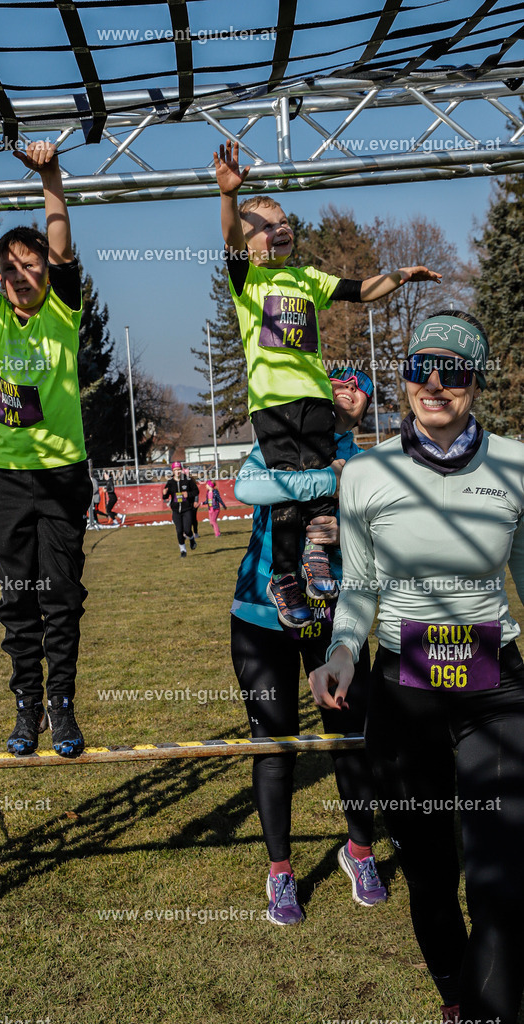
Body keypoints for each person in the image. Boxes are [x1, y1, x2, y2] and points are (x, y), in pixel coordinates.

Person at [310, 311, 524, 1024]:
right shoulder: (366, 473)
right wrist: (343, 651)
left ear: (475, 381)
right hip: (405, 689)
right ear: (403, 377)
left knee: (500, 879)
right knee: (431, 876)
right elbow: (360, 586)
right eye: (419, 367)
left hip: (494, 686)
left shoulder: (516, 464)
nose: (434, 383)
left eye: (453, 370)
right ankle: (458, 1001)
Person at [214, 140, 441, 630]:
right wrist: (229, 196)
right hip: (271, 403)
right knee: (285, 486)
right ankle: (282, 576)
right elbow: (231, 239)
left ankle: (315, 555)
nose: (280, 229)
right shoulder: (248, 282)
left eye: (284, 221)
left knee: (318, 477)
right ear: (249, 246)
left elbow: (360, 291)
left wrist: (401, 275)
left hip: (315, 398)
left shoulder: (307, 279)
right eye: (267, 226)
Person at [232, 366, 386, 926]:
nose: (347, 389)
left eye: (360, 386)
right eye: (337, 381)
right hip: (259, 614)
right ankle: (280, 872)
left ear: (367, 405)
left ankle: (360, 852)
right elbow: (246, 488)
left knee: (349, 737)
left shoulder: (366, 462)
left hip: (333, 617)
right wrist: (324, 480)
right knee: (274, 745)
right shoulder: (274, 442)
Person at [0, 139, 91, 759]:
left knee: (61, 597)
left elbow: (59, 244)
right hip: (6, 480)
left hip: (62, 476)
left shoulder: (64, 311)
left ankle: (61, 703)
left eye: (29, 266)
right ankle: (26, 705)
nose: (18, 276)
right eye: (8, 269)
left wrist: (51, 176)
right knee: (18, 600)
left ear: (47, 273)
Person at [162, 461, 199, 557]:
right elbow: (165, 497)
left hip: (187, 509)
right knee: (179, 531)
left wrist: (188, 494)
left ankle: (191, 539)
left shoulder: (187, 480)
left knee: (187, 530)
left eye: (179, 469)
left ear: (181, 470)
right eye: (175, 470)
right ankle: (183, 551)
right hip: (176, 511)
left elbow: (196, 491)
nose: (177, 472)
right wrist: (164, 493)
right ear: (172, 471)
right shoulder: (170, 482)